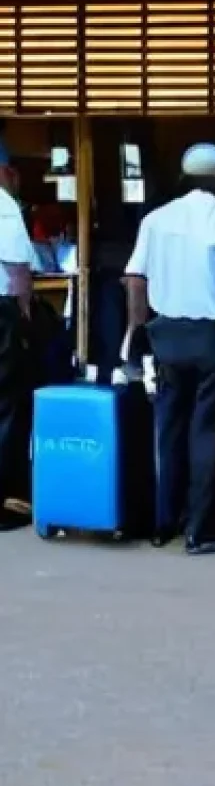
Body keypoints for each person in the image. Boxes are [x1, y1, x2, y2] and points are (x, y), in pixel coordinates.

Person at [123, 143, 215, 556]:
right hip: (212, 340)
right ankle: (203, 531)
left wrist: (137, 331)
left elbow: (135, 280)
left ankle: (165, 522)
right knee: (210, 435)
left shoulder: (156, 219)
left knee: (169, 431)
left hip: (166, 337)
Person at [0, 143, 36, 531]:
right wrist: (26, 316)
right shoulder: (4, 205)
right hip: (1, 311)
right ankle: (6, 501)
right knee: (6, 404)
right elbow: (17, 269)